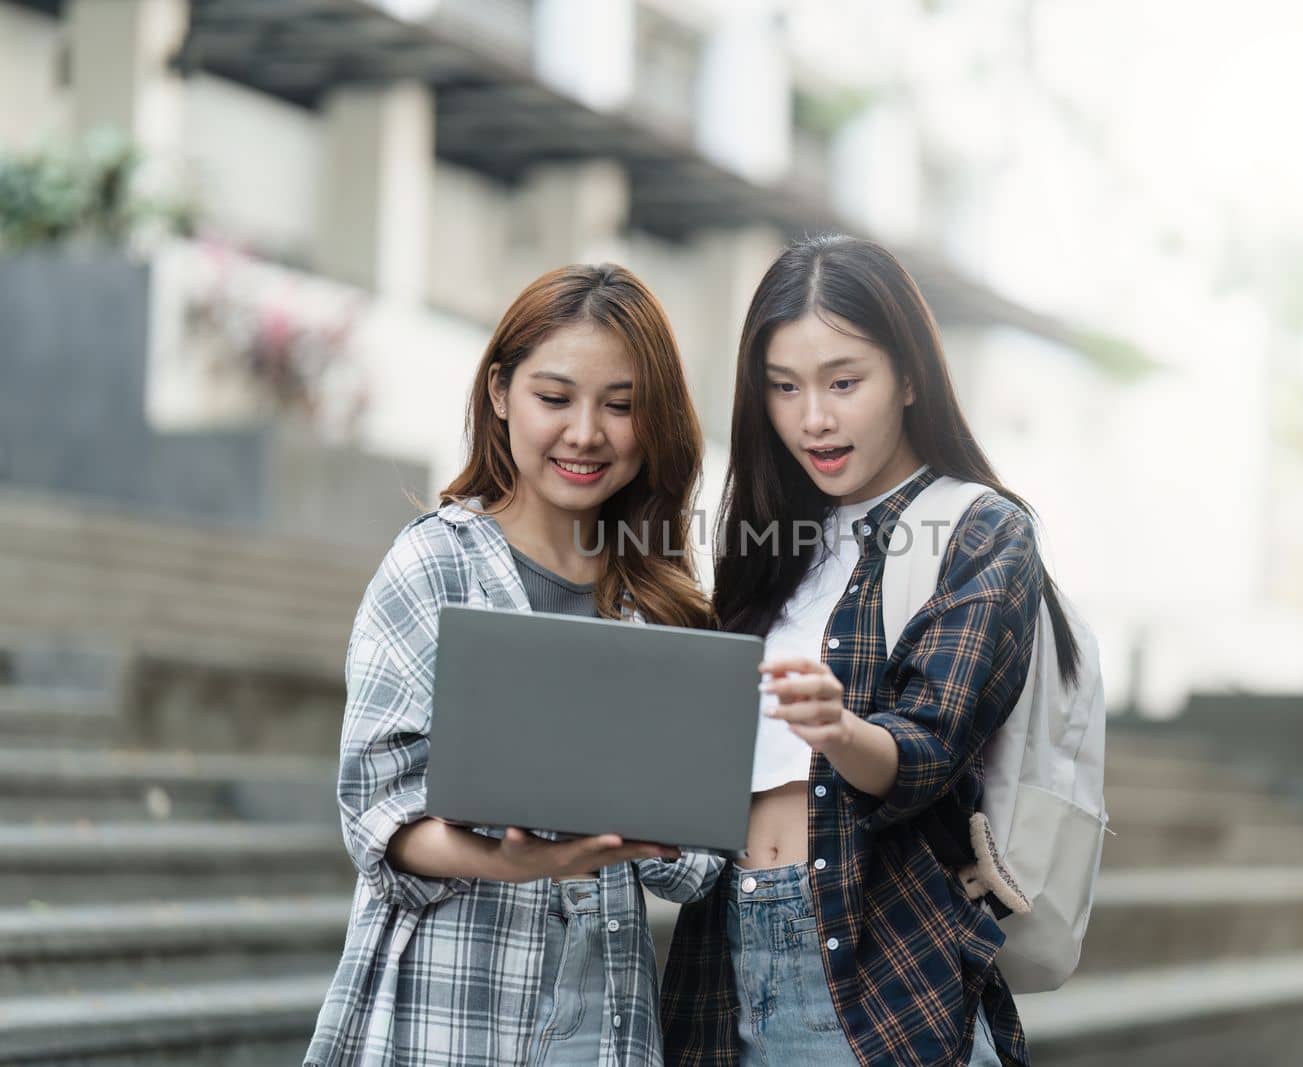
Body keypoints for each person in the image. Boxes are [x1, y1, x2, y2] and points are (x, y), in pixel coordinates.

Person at [662, 235, 1080, 1067]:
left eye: (843, 382)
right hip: (725, 964)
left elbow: (928, 746)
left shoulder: (982, 529)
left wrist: (840, 728)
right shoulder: (768, 544)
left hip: (878, 969)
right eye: (784, 387)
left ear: (911, 376)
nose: (812, 416)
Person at [305, 264, 722, 1067]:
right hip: (451, 996)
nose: (585, 433)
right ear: (500, 392)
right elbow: (376, 807)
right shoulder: (435, 564)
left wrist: (662, 831)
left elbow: (698, 860)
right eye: (555, 398)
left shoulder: (663, 600)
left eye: (622, 405)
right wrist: (509, 859)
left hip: (603, 1012)